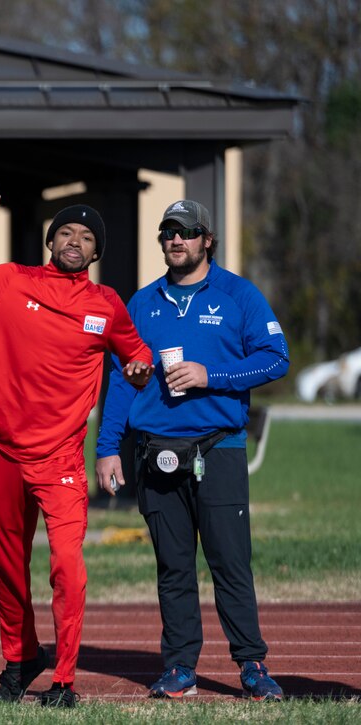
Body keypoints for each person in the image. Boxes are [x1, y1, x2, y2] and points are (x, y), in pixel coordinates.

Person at [0, 184, 154, 708]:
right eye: (66, 232)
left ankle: (64, 680)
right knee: (9, 568)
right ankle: (19, 659)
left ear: (97, 253)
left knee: (67, 567)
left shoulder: (105, 304)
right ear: (51, 241)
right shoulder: (7, 281)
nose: (75, 240)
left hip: (61, 462)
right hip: (1, 455)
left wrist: (139, 372)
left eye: (87, 236)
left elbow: (137, 359)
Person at [95, 199, 290, 701]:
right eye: (167, 232)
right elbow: (120, 379)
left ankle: (251, 665)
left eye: (186, 231)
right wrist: (107, 447)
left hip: (218, 449)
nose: (175, 240)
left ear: (207, 240)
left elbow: (276, 358)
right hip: (155, 452)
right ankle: (180, 667)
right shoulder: (142, 303)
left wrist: (212, 376)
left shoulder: (238, 295)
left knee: (230, 562)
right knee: (173, 566)